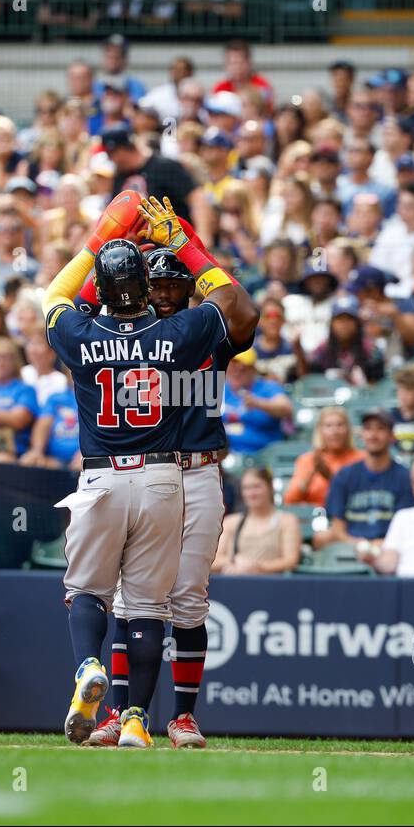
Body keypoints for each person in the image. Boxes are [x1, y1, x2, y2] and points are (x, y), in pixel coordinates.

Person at [40, 193, 257, 749]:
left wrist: (105, 248)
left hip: (176, 467)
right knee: (141, 597)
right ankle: (127, 713)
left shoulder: (173, 330)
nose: (163, 291)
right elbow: (234, 303)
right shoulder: (179, 334)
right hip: (160, 475)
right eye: (152, 283)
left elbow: (62, 303)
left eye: (172, 284)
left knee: (175, 596)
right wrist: (190, 248)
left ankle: (170, 713)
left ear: (186, 289)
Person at [314, 407, 414, 554]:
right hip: (349, 544)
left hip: (390, 547)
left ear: (391, 436)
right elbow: (337, 527)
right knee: (321, 538)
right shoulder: (344, 475)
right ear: (362, 434)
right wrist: (359, 545)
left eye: (380, 429)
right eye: (368, 429)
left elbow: (405, 526)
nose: (373, 435)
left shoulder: (404, 477)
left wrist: (380, 545)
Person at [213, 467, 301, 575]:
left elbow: (290, 561)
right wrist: (234, 561)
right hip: (236, 584)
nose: (251, 493)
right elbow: (213, 562)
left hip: (271, 584)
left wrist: (258, 567)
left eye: (257, 487)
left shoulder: (287, 521)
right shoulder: (231, 522)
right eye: (246, 488)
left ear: (270, 488)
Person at [283, 405, 363, 507]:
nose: (335, 431)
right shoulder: (308, 460)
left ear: (348, 429)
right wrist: (310, 475)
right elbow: (290, 501)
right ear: (320, 430)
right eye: (328, 426)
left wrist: (330, 478)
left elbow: (361, 498)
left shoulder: (361, 459)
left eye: (340, 425)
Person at [220, 347, 292, 456]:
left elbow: (286, 409)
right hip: (227, 454)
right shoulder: (220, 389)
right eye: (233, 366)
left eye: (243, 368)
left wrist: (259, 403)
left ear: (253, 370)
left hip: (263, 454)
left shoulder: (267, 387)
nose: (237, 372)